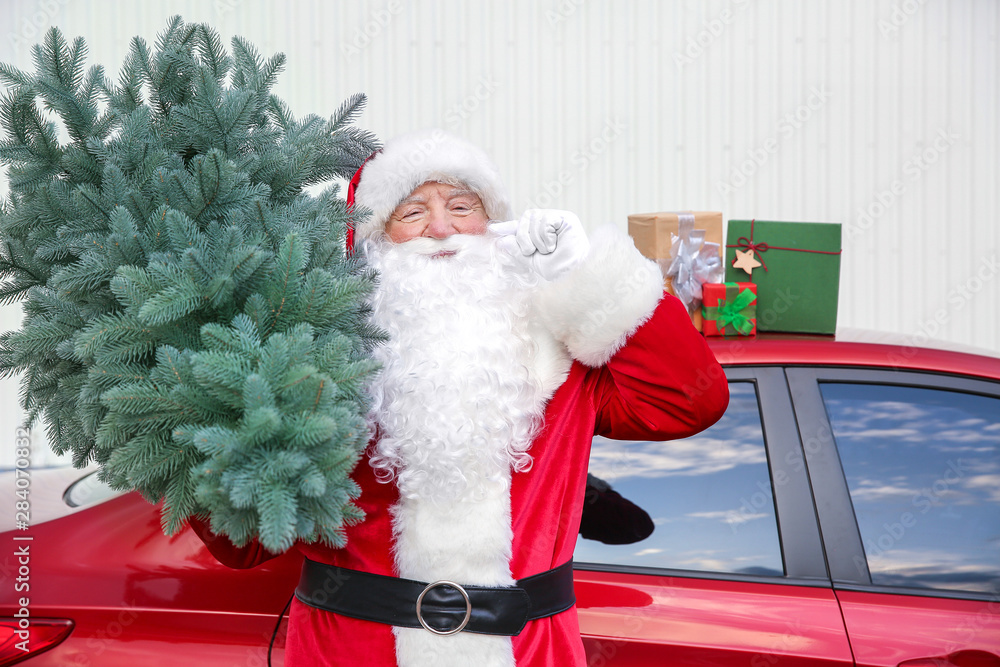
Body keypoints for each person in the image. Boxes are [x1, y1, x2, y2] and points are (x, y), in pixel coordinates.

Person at [191, 128, 729, 667]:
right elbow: (241, 542)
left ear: (494, 224)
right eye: (412, 213)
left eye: (461, 205)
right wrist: (177, 410)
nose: (442, 228)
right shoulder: (315, 364)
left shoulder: (559, 348)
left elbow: (689, 402)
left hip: (529, 652)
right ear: (374, 240)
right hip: (353, 652)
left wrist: (586, 276)